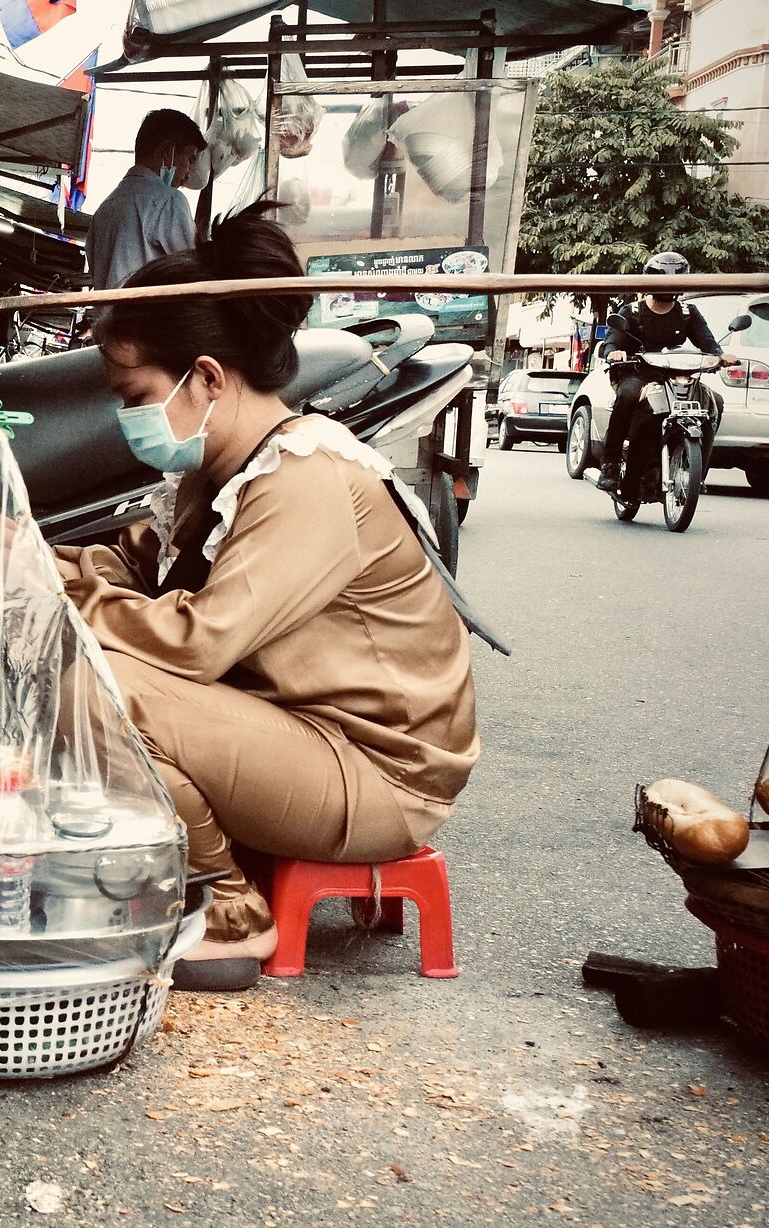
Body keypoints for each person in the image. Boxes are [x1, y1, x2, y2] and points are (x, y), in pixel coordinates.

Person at [54, 209, 481, 990]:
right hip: (303, 735)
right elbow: (135, 565)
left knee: (94, 687)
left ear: (208, 378)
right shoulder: (215, 472)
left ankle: (230, 910)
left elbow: (197, 643)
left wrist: (71, 602)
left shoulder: (304, 479)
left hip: (379, 772)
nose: (126, 418)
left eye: (135, 394)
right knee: (80, 657)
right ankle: (208, 870)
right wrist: (29, 554)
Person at [597, 250, 720, 495]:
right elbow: (611, 342)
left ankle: (698, 474)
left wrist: (720, 355)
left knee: (715, 402)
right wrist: (614, 352)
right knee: (627, 396)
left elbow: (708, 343)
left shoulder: (688, 313)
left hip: (674, 376)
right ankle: (610, 465)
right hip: (636, 373)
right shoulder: (630, 312)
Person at [88, 109, 204, 290]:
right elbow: (194, 272)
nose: (188, 173)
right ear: (169, 151)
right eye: (190, 159)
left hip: (106, 317)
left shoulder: (104, 209)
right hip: (149, 316)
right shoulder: (170, 201)